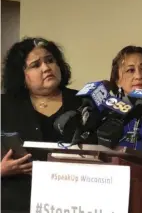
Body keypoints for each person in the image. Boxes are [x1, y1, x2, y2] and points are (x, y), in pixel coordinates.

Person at [1, 37, 90, 212]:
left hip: (74, 201)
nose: (46, 68)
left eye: (50, 60)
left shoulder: (83, 102)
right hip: (18, 201)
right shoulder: (4, 106)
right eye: (35, 65)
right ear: (21, 74)